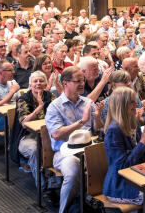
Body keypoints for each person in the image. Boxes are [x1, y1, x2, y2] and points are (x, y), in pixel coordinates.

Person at [45, 66, 104, 212]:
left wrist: (97, 117)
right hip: (64, 153)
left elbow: (97, 129)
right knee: (72, 172)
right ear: (65, 83)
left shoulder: (86, 102)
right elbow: (57, 134)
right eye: (77, 81)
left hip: (88, 148)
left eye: (83, 80)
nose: (82, 84)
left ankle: (94, 202)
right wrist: (81, 122)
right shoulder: (55, 107)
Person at [103, 87, 145, 205]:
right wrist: (143, 144)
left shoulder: (134, 122)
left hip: (136, 177)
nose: (136, 103)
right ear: (122, 105)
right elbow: (122, 168)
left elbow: (139, 159)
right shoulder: (113, 131)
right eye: (132, 102)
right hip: (119, 185)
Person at [9, 71, 54, 189]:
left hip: (47, 134)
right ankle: (42, 186)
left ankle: (55, 182)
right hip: (26, 136)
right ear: (30, 85)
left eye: (41, 81)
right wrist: (39, 107)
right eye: (35, 81)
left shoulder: (50, 96)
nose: (38, 83)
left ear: (45, 84)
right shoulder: (23, 99)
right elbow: (24, 123)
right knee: (35, 150)